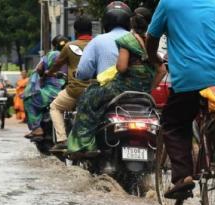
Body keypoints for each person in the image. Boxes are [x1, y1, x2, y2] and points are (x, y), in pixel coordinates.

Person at [145, 0, 215, 199]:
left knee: (173, 124)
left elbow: (151, 38)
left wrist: (155, 59)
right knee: (214, 113)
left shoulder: (168, 4)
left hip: (189, 80)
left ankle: (183, 178)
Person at [67, 7, 167, 155]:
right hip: (143, 92)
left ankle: (83, 144)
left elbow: (121, 67)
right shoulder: (150, 42)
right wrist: (148, 88)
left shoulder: (126, 41)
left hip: (120, 88)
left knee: (87, 99)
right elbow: (162, 70)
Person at [45, 15, 94, 152]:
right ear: (91, 31)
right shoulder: (98, 43)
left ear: (76, 32)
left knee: (54, 107)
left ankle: (62, 140)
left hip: (75, 91)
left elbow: (57, 64)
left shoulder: (70, 46)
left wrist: (49, 73)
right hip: (96, 90)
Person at [23, 35, 69, 139]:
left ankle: (36, 129)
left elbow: (39, 69)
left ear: (54, 46)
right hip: (72, 89)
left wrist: (43, 76)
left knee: (29, 100)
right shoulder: (75, 53)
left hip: (53, 90)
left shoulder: (52, 54)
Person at [76, 1, 131, 81]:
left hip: (107, 91)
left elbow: (83, 72)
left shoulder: (97, 40)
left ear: (106, 21)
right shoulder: (138, 38)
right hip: (140, 90)